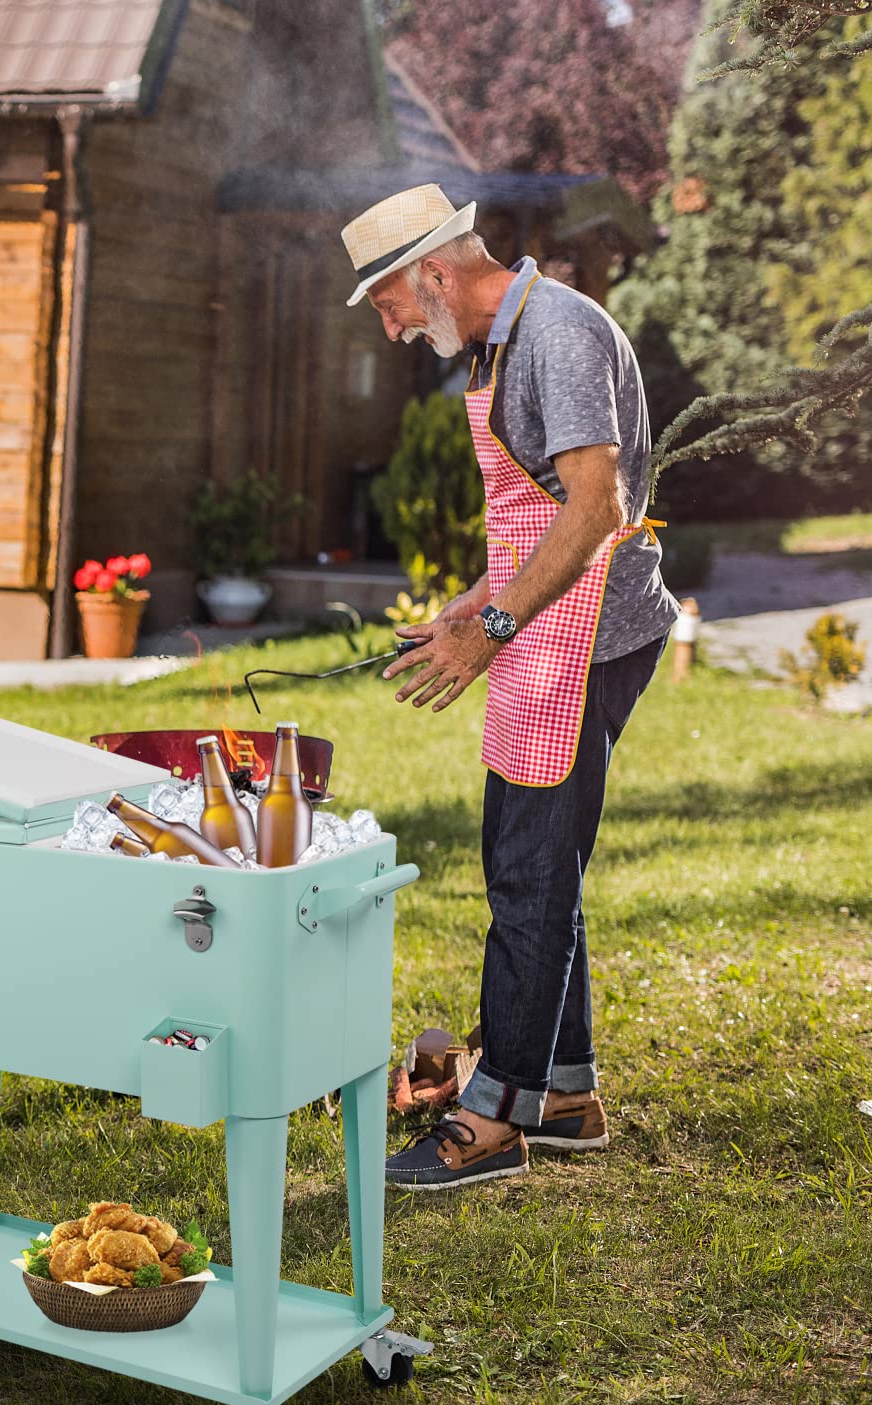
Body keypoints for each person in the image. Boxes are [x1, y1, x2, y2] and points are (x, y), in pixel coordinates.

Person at [340, 184, 680, 1190]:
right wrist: (463, 605)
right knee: (533, 855)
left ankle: (493, 1119)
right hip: (544, 623)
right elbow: (528, 523)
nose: (393, 329)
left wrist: (490, 629)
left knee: (528, 867)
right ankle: (564, 1093)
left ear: (435, 273)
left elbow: (593, 510)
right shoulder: (499, 341)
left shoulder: (558, 335)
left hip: (587, 638)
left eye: (390, 304)